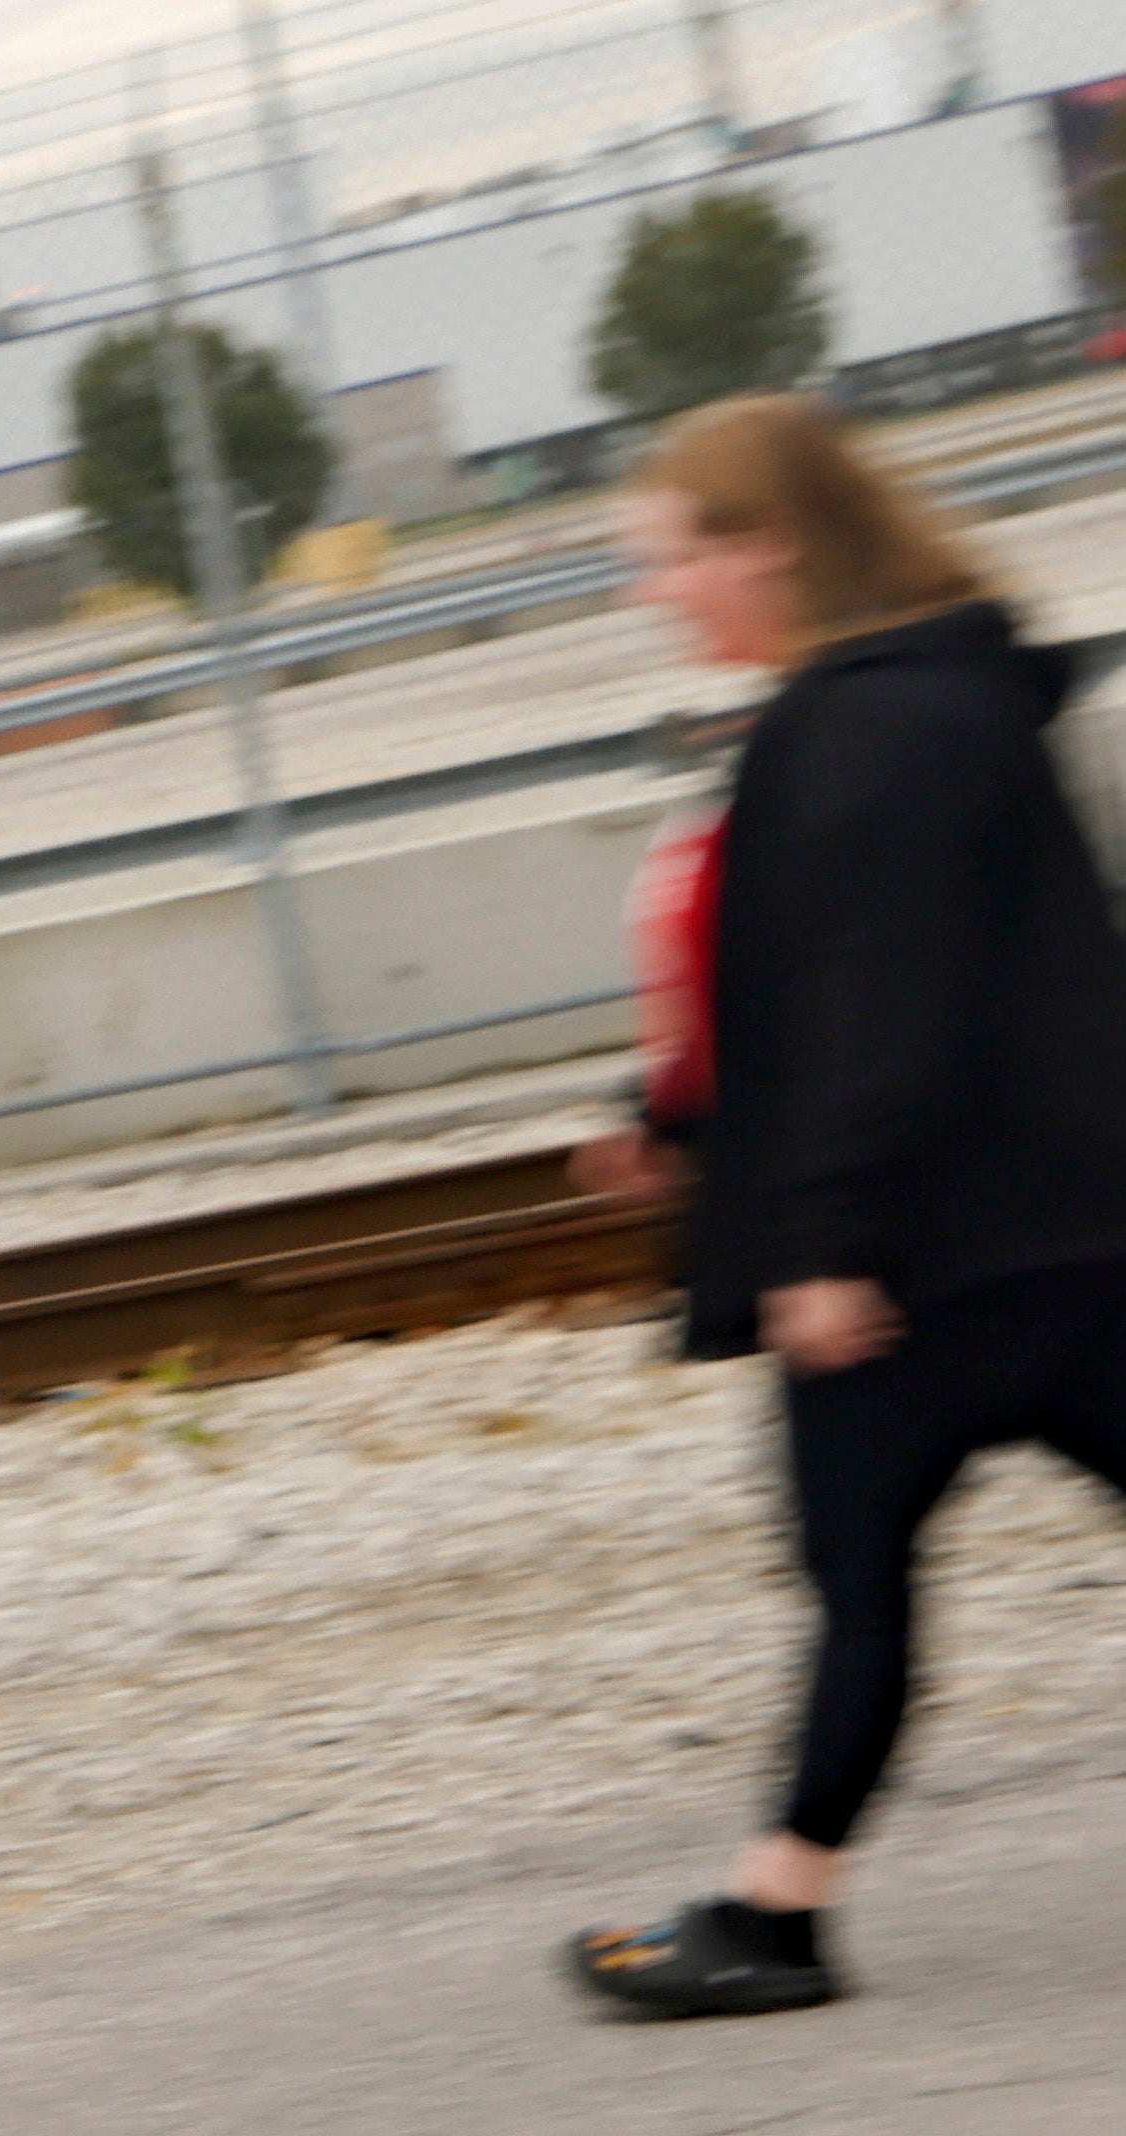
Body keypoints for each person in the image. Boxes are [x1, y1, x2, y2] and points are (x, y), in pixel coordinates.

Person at [557, 392, 1126, 2017]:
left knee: (857, 1583)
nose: (656, 593)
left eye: (670, 559)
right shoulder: (923, 699)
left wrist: (820, 1245)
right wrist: (671, 1117)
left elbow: (882, 1007)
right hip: (1049, 1226)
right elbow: (811, 980)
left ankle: (775, 1919)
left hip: (936, 1261)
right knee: (854, 1582)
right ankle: (775, 1909)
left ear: (767, 548)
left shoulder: (868, 728)